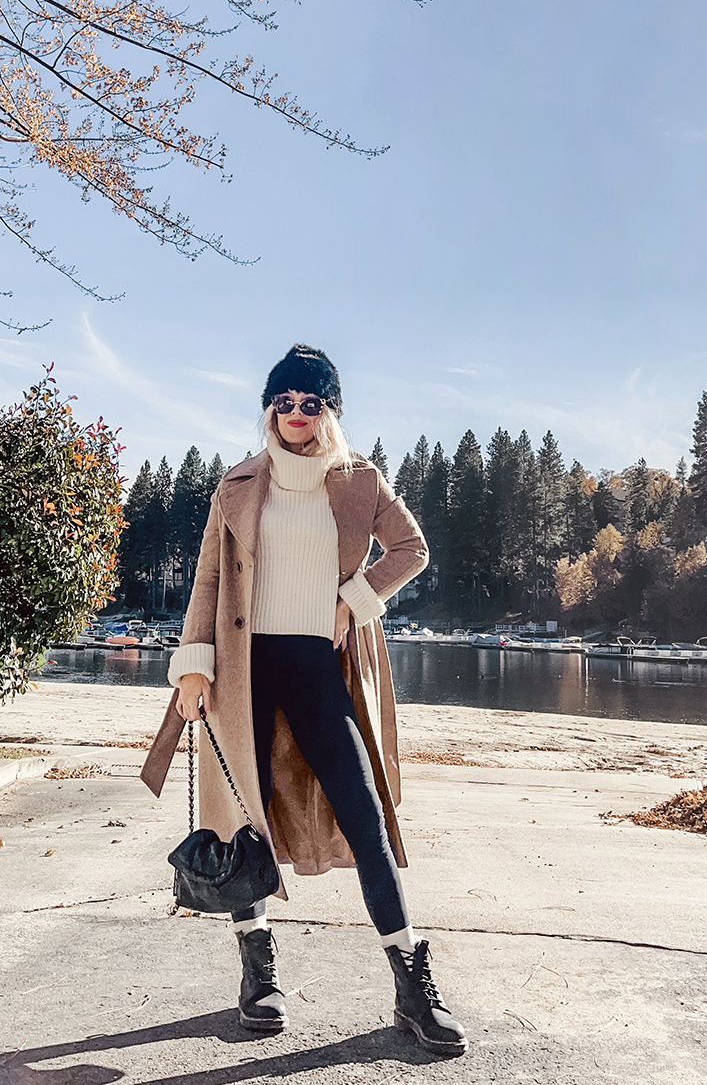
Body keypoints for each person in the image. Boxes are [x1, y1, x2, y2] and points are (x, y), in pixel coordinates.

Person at [142, 345, 467, 1056]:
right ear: (269, 408)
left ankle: (410, 984)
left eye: (310, 402)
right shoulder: (237, 484)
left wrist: (355, 600)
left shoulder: (357, 481)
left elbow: (410, 549)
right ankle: (257, 973)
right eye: (283, 401)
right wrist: (193, 668)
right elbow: (205, 581)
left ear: (330, 409)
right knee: (239, 823)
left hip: (321, 667)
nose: (295, 413)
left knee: (366, 813)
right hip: (243, 668)